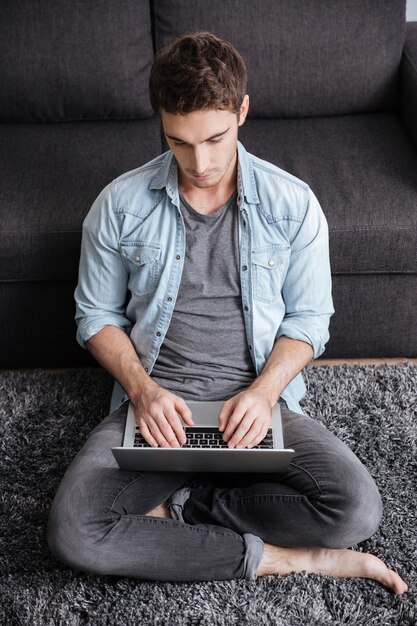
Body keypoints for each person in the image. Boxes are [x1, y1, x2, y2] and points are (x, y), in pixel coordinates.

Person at [47, 32, 407, 595]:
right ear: (160, 123)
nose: (201, 162)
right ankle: (287, 559)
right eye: (179, 142)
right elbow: (94, 315)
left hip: (256, 405)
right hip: (157, 412)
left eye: (215, 139)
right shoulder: (119, 204)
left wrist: (264, 394)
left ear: (242, 111)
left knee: (356, 511)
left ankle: (185, 506)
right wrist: (143, 392)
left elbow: (310, 320)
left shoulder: (293, 204)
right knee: (73, 531)